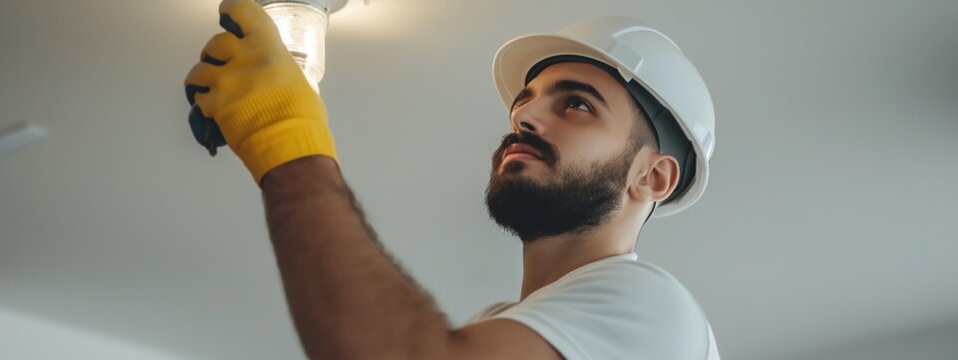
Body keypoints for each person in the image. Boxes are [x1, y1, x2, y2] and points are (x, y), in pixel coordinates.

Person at [184, 0, 719, 359]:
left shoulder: (648, 305)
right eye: (524, 101)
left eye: (576, 104)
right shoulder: (497, 324)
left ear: (653, 176)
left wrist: (284, 137)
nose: (524, 119)